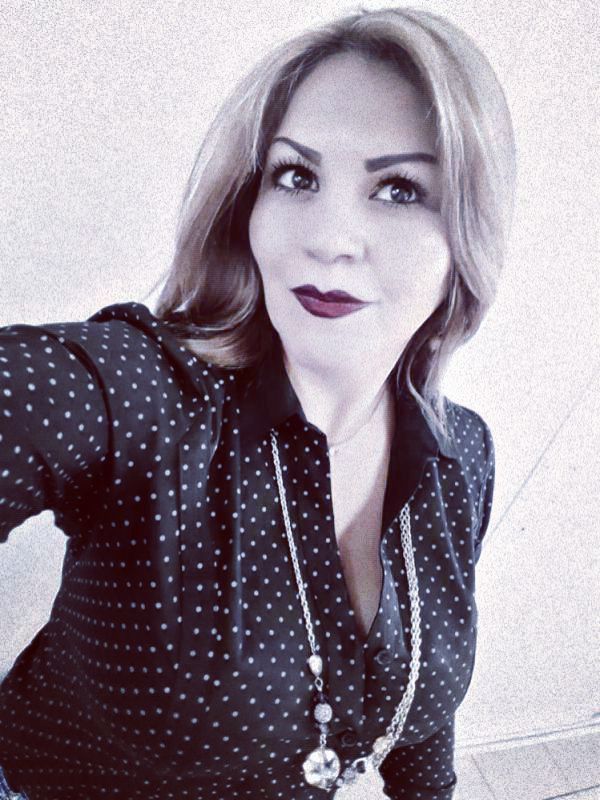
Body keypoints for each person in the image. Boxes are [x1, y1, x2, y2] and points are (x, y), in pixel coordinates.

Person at [0, 6, 515, 799]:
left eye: (400, 189)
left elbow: (418, 687)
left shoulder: (462, 454)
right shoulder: (142, 399)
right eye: (297, 176)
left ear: (467, 238)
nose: (329, 239)